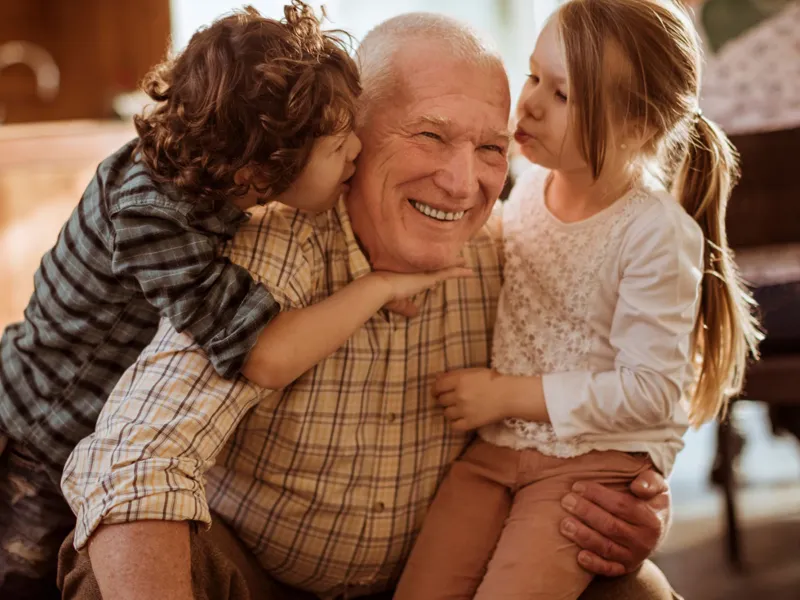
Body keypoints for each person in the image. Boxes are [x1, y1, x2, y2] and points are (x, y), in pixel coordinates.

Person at [59, 11, 683, 600]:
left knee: (635, 588)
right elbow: (136, 460)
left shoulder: (514, 250)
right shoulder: (277, 246)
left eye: (492, 149)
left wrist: (638, 494)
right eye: (430, 135)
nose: (463, 185)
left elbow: (625, 378)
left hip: (436, 572)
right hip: (258, 575)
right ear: (350, 137)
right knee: (116, 556)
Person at [0, 4, 454, 598]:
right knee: (25, 582)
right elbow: (265, 353)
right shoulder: (152, 217)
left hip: (63, 423)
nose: (357, 151)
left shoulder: (210, 183)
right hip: (38, 440)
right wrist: (376, 287)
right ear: (260, 171)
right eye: (339, 143)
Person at [393, 1, 762, 599]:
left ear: (637, 127)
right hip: (496, 452)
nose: (530, 102)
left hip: (591, 468)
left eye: (562, 94)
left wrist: (504, 394)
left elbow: (649, 391)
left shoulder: (654, 234)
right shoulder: (532, 183)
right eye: (534, 76)